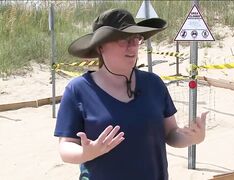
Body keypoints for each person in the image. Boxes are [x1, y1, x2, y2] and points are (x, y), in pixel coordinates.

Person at [54, 8, 208, 180]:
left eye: (136, 38)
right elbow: (65, 148)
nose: (133, 45)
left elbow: (171, 133)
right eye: (123, 40)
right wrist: (87, 152)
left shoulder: (154, 84)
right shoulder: (78, 90)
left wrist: (193, 138)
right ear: (100, 47)